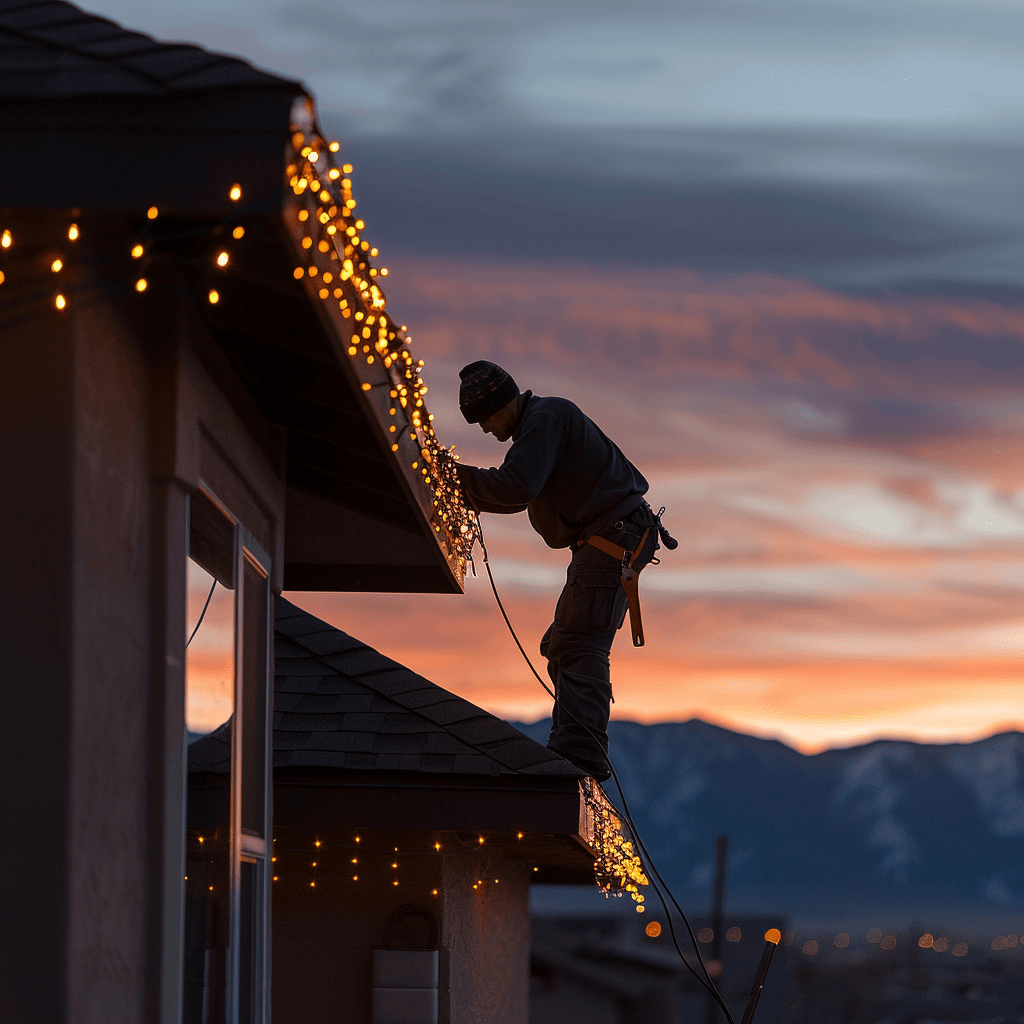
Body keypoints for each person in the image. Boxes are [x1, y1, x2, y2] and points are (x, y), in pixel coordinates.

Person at [455, 359, 669, 782]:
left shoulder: (546, 417)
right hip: (611, 539)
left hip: (612, 538)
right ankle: (573, 745)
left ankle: (579, 754)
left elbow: (515, 487)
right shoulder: (543, 422)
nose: (484, 429)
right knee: (563, 642)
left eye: (485, 417)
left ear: (503, 402)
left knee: (579, 643)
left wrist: (447, 477)